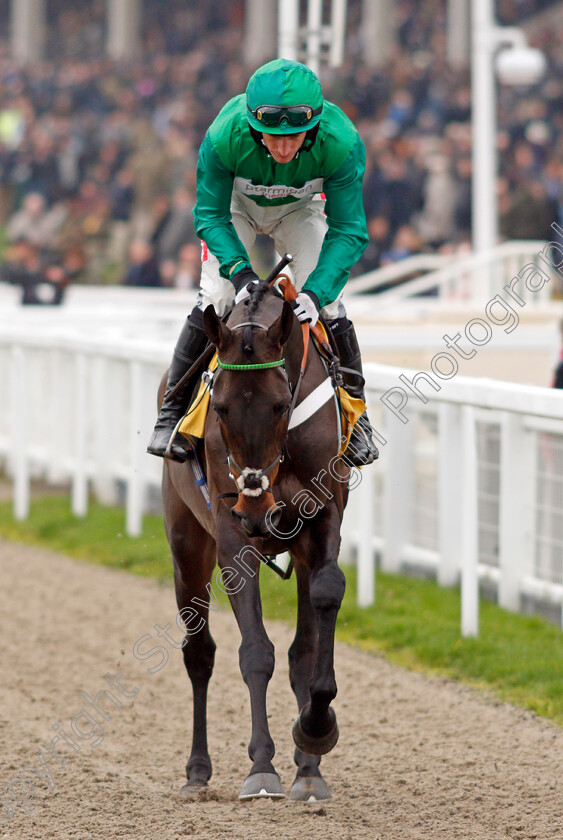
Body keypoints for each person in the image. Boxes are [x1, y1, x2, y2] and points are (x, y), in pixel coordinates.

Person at [147, 58, 379, 466]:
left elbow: (350, 231)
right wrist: (240, 273)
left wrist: (314, 292)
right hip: (235, 208)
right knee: (216, 297)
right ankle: (171, 414)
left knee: (330, 305)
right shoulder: (222, 136)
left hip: (299, 210)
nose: (284, 147)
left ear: (316, 124)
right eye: (273, 137)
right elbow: (209, 216)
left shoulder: (342, 142)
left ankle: (356, 419)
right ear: (254, 124)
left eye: (295, 137)